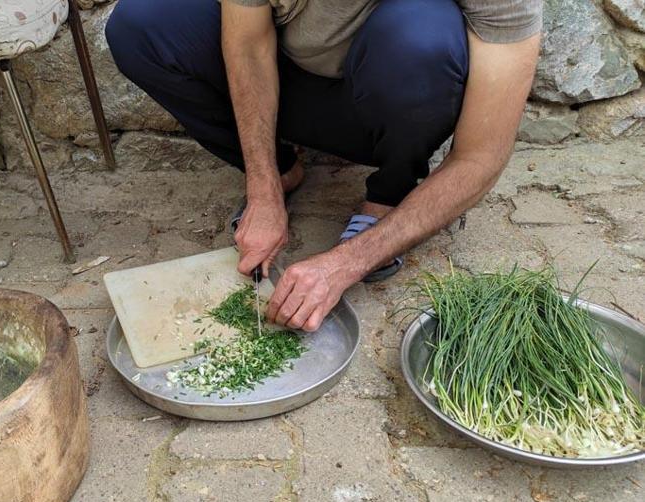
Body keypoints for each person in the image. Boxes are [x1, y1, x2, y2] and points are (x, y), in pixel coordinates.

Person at [105, 0, 542, 331]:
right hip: (289, 82)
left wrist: (346, 263)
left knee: (419, 37)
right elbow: (249, 47)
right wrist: (263, 188)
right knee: (141, 25)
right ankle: (283, 171)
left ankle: (389, 197)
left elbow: (481, 157)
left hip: (392, 95)